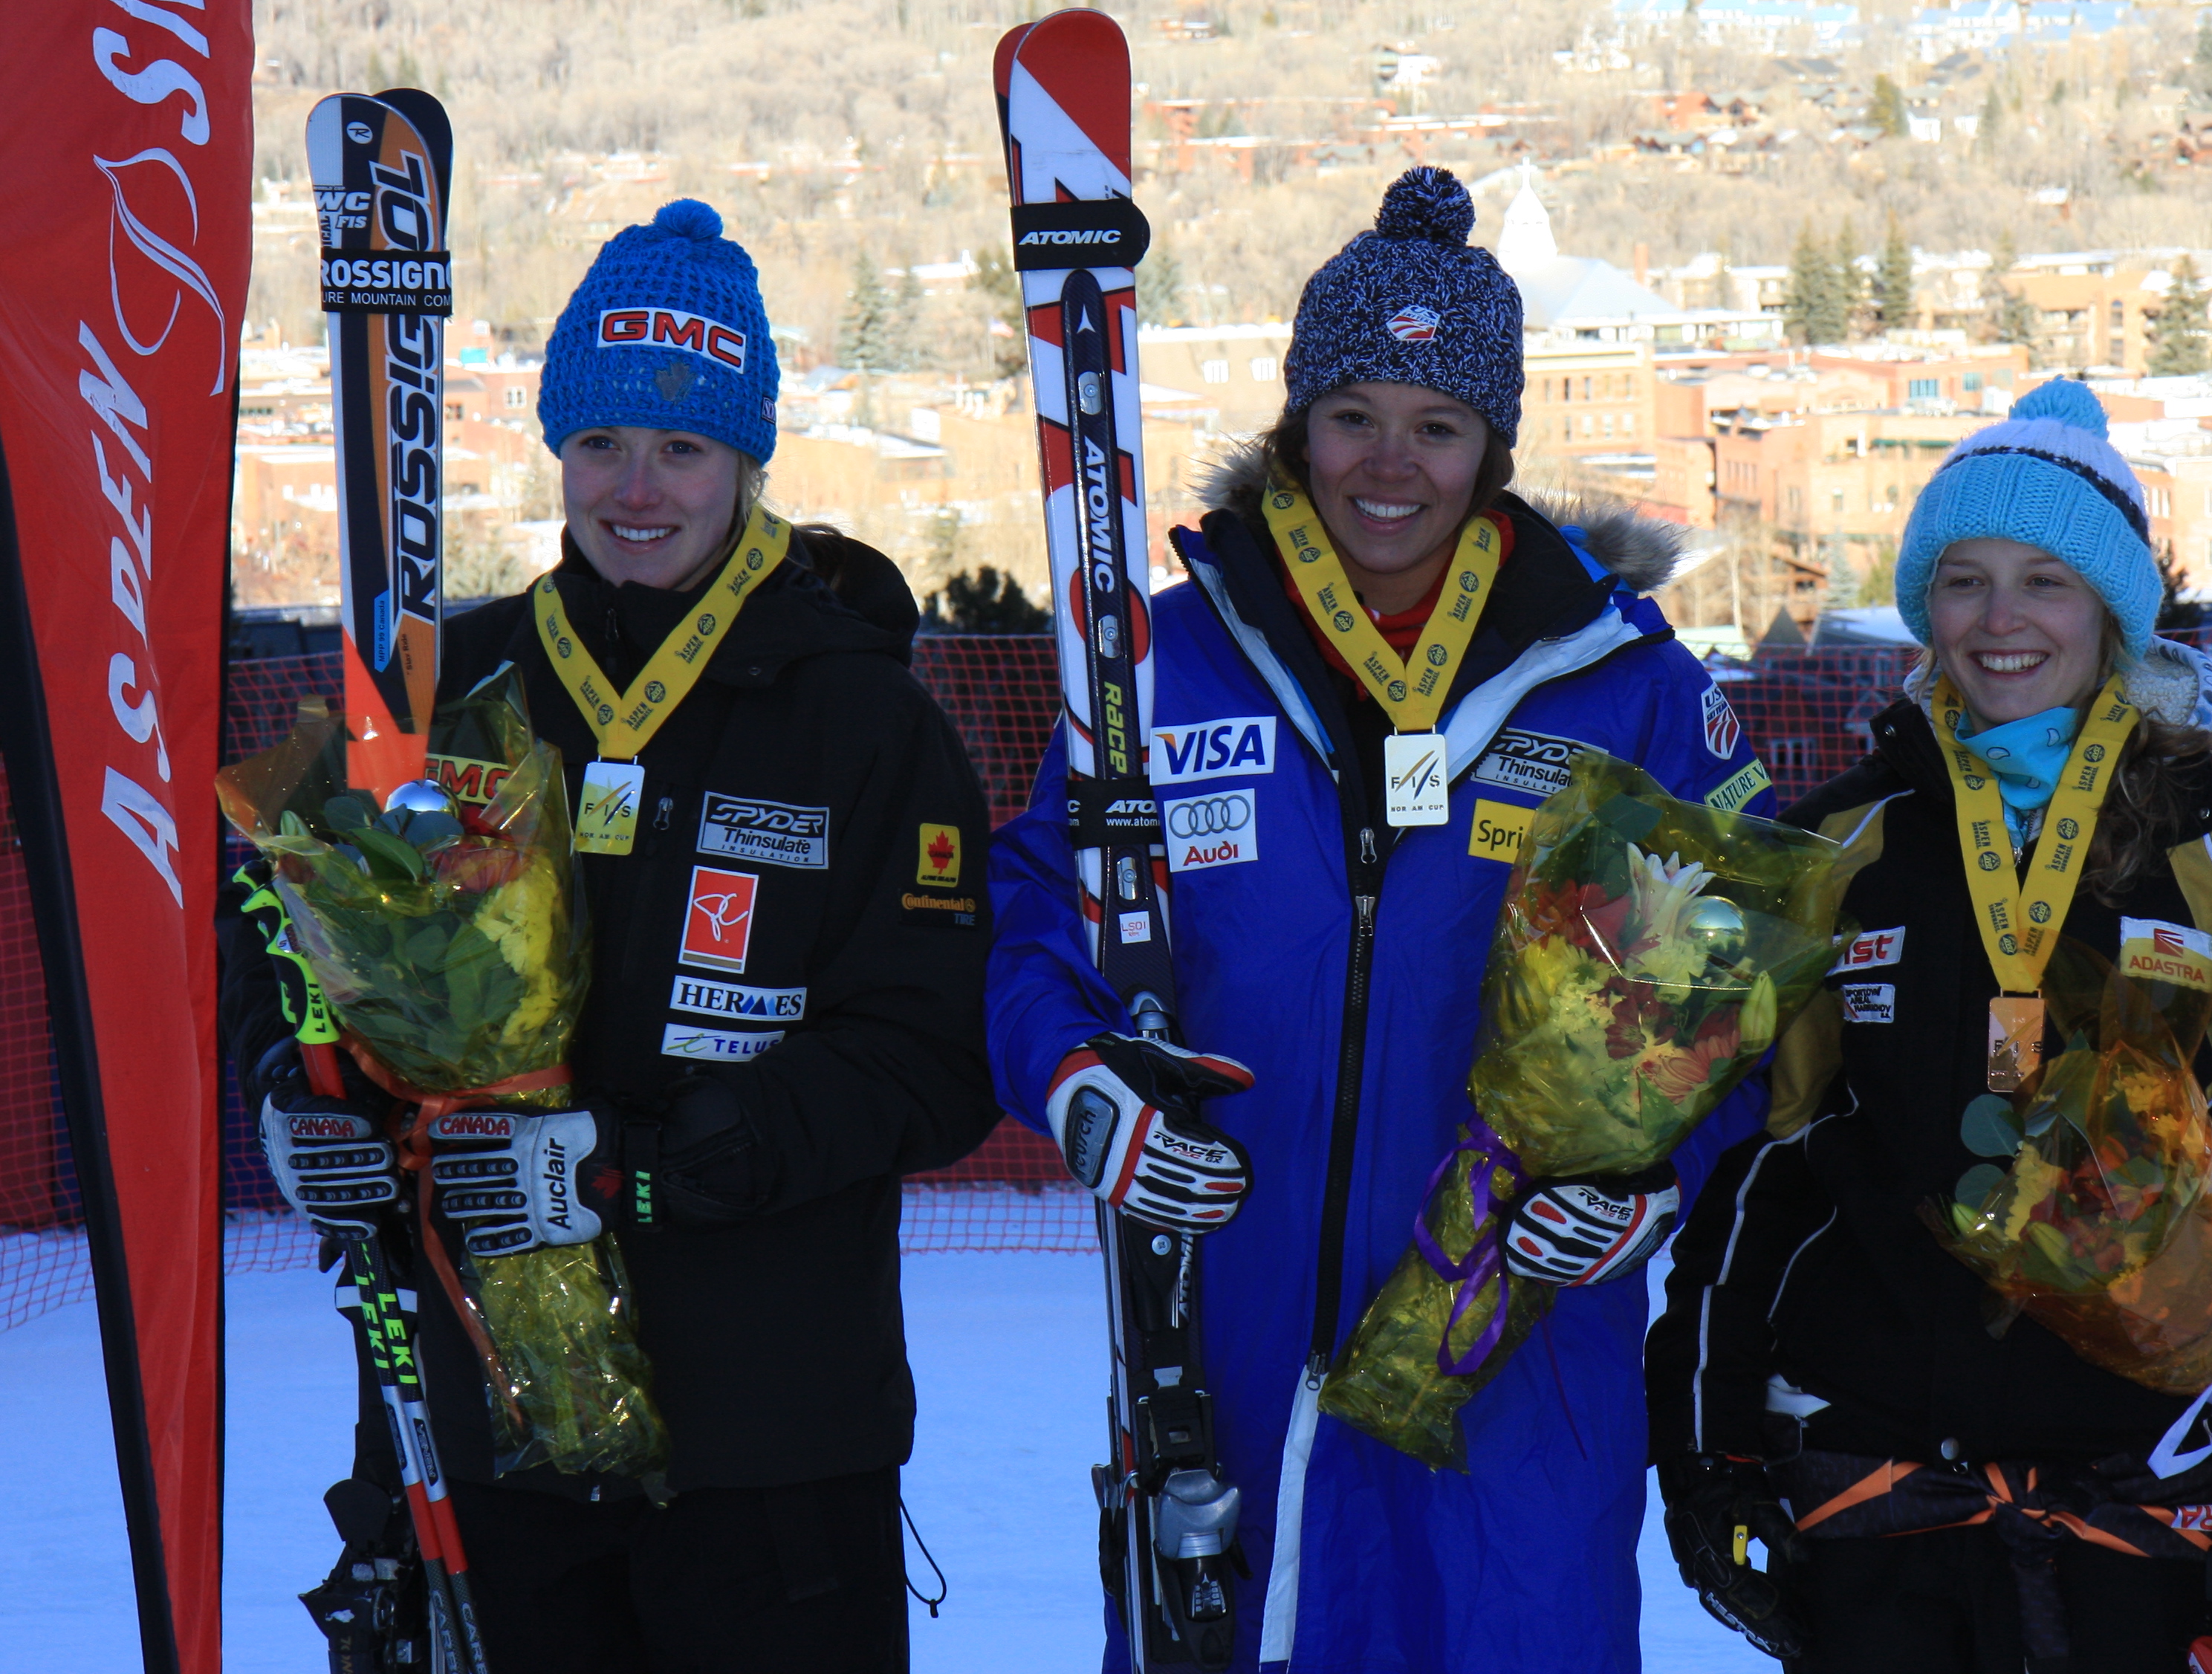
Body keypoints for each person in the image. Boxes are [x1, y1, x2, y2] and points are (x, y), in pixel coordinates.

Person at [987, 166, 1776, 1673]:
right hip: (1217, 1332)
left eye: (1439, 425)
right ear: (1297, 427)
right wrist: (1078, 1078)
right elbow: (1038, 908)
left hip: (1516, 1354)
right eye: (1353, 414)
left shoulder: (1627, 685)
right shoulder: (1162, 659)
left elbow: (1746, 998)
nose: (1389, 464)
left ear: (1496, 448)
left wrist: (1660, 1182)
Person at [235, 198, 999, 1671]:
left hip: (768, 1440)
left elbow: (931, 1058)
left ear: (745, 458)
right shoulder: (447, 686)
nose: (635, 487)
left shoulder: (864, 719)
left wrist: (637, 1171)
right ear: (555, 450)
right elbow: (273, 936)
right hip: (472, 1415)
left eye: (682, 447)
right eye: (599, 443)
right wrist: (296, 1087)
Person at [1644, 380, 2212, 1673]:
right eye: (1962, 581)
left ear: (2114, 608)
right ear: (1924, 607)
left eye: (2046, 580)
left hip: (2156, 1499)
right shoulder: (1839, 842)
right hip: (1879, 1501)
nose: (2000, 619)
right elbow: (1762, 1173)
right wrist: (1712, 1455)